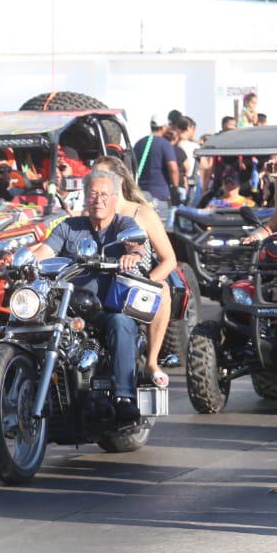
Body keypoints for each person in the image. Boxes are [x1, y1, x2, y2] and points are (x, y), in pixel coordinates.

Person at [33, 169, 150, 422]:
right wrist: (23, 263)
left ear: (114, 198)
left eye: (105, 194)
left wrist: (133, 255)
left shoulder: (123, 224)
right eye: (93, 194)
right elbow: (44, 252)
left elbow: (137, 245)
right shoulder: (68, 226)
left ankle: (124, 397)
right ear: (85, 197)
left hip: (106, 309)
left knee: (121, 323)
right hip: (68, 307)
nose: (99, 200)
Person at [94, 155, 178, 388]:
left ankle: (151, 362)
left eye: (102, 177)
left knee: (162, 290)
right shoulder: (90, 213)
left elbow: (169, 260)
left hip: (133, 290)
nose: (97, 183)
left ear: (119, 180)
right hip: (97, 288)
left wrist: (147, 282)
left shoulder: (142, 214)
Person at [132, 114, 181, 207]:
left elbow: (132, 166)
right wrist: (175, 189)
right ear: (163, 127)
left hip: (140, 193)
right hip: (160, 195)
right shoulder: (165, 144)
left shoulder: (139, 143)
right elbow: (173, 168)